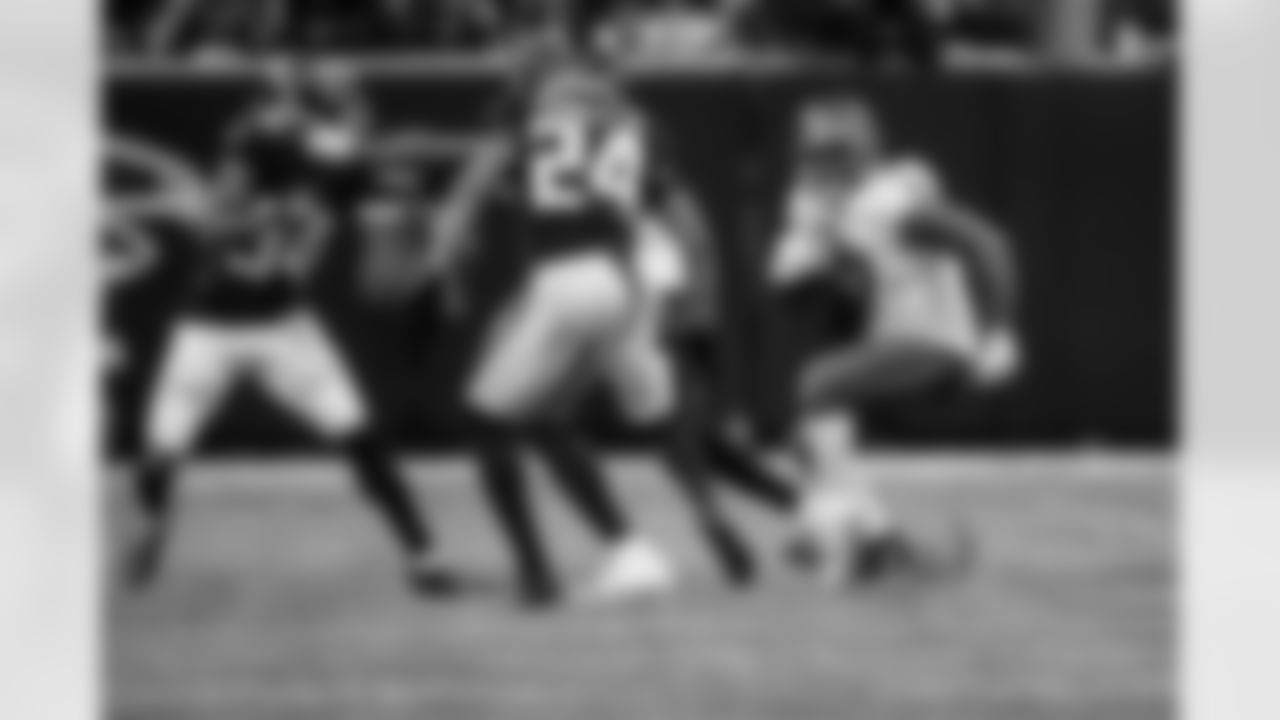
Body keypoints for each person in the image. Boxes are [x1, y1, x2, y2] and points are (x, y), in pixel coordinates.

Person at [119, 62, 457, 596]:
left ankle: (424, 555)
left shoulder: (307, 157)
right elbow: (225, 213)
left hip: (280, 326)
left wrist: (417, 180)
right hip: (214, 327)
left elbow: (393, 180)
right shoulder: (278, 152)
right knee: (162, 448)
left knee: (359, 437)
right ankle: (150, 523)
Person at [424, 56, 685, 607]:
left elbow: (465, 199)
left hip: (565, 280)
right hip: (621, 285)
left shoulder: (528, 127)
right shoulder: (629, 129)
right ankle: (632, 554)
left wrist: (442, 274)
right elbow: (629, 198)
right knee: (546, 420)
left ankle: (535, 572)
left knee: (485, 423)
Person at [766, 94, 1020, 585]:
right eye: (815, 154)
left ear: (863, 153)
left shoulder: (890, 203)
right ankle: (877, 541)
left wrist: (999, 330)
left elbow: (988, 243)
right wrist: (815, 262)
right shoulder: (825, 208)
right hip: (891, 338)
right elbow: (802, 293)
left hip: (935, 339)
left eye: (835, 154)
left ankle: (834, 526)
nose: (822, 165)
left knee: (816, 384)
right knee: (807, 438)